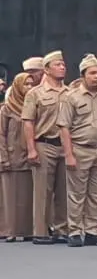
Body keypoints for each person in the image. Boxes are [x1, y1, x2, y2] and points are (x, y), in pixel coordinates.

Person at [56, 54, 97, 247]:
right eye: (92, 73)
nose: (96, 76)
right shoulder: (71, 98)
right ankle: (74, 231)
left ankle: (92, 230)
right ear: (83, 75)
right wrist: (68, 155)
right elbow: (63, 127)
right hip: (79, 149)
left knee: (96, 193)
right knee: (76, 193)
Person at [23, 50, 72, 244]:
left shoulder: (70, 93)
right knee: (43, 191)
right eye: (57, 65)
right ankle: (41, 231)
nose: (62, 67)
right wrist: (31, 148)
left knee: (64, 190)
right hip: (44, 144)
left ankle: (62, 229)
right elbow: (28, 122)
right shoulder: (35, 94)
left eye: (63, 64)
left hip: (65, 145)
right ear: (47, 69)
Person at [1, 58, 42, 241]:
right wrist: (3, 157)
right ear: (17, 87)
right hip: (11, 156)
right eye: (25, 84)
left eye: (31, 84)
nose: (29, 87)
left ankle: (26, 230)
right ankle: (9, 230)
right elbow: (1, 135)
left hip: (30, 157)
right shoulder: (6, 109)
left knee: (27, 196)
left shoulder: (34, 106)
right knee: (9, 195)